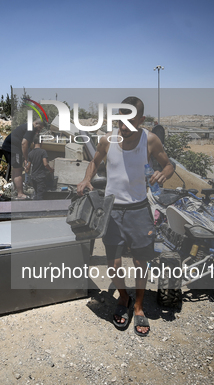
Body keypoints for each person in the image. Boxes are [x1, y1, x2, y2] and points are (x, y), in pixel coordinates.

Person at [77, 96, 174, 337]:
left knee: (141, 262)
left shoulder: (150, 140)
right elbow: (94, 161)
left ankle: (139, 306)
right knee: (114, 264)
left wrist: (164, 173)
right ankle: (124, 298)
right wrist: (86, 178)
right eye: (120, 121)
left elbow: (169, 165)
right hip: (112, 211)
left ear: (141, 120)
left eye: (129, 123)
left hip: (139, 209)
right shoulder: (107, 140)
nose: (123, 127)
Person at [2, 119, 45, 199]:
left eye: (41, 129)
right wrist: (26, 158)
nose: (39, 130)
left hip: (9, 146)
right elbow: (24, 143)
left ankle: (16, 190)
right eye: (39, 128)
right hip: (12, 147)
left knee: (16, 169)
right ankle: (20, 194)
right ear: (36, 123)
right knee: (18, 170)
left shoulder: (29, 127)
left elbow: (26, 144)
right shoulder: (30, 128)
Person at [26, 136, 54, 200]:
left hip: (33, 177)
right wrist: (51, 170)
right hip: (40, 177)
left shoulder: (30, 153)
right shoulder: (43, 152)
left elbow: (28, 167)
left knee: (36, 193)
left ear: (33, 143)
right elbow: (45, 164)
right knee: (40, 195)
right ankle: (39, 208)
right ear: (41, 142)